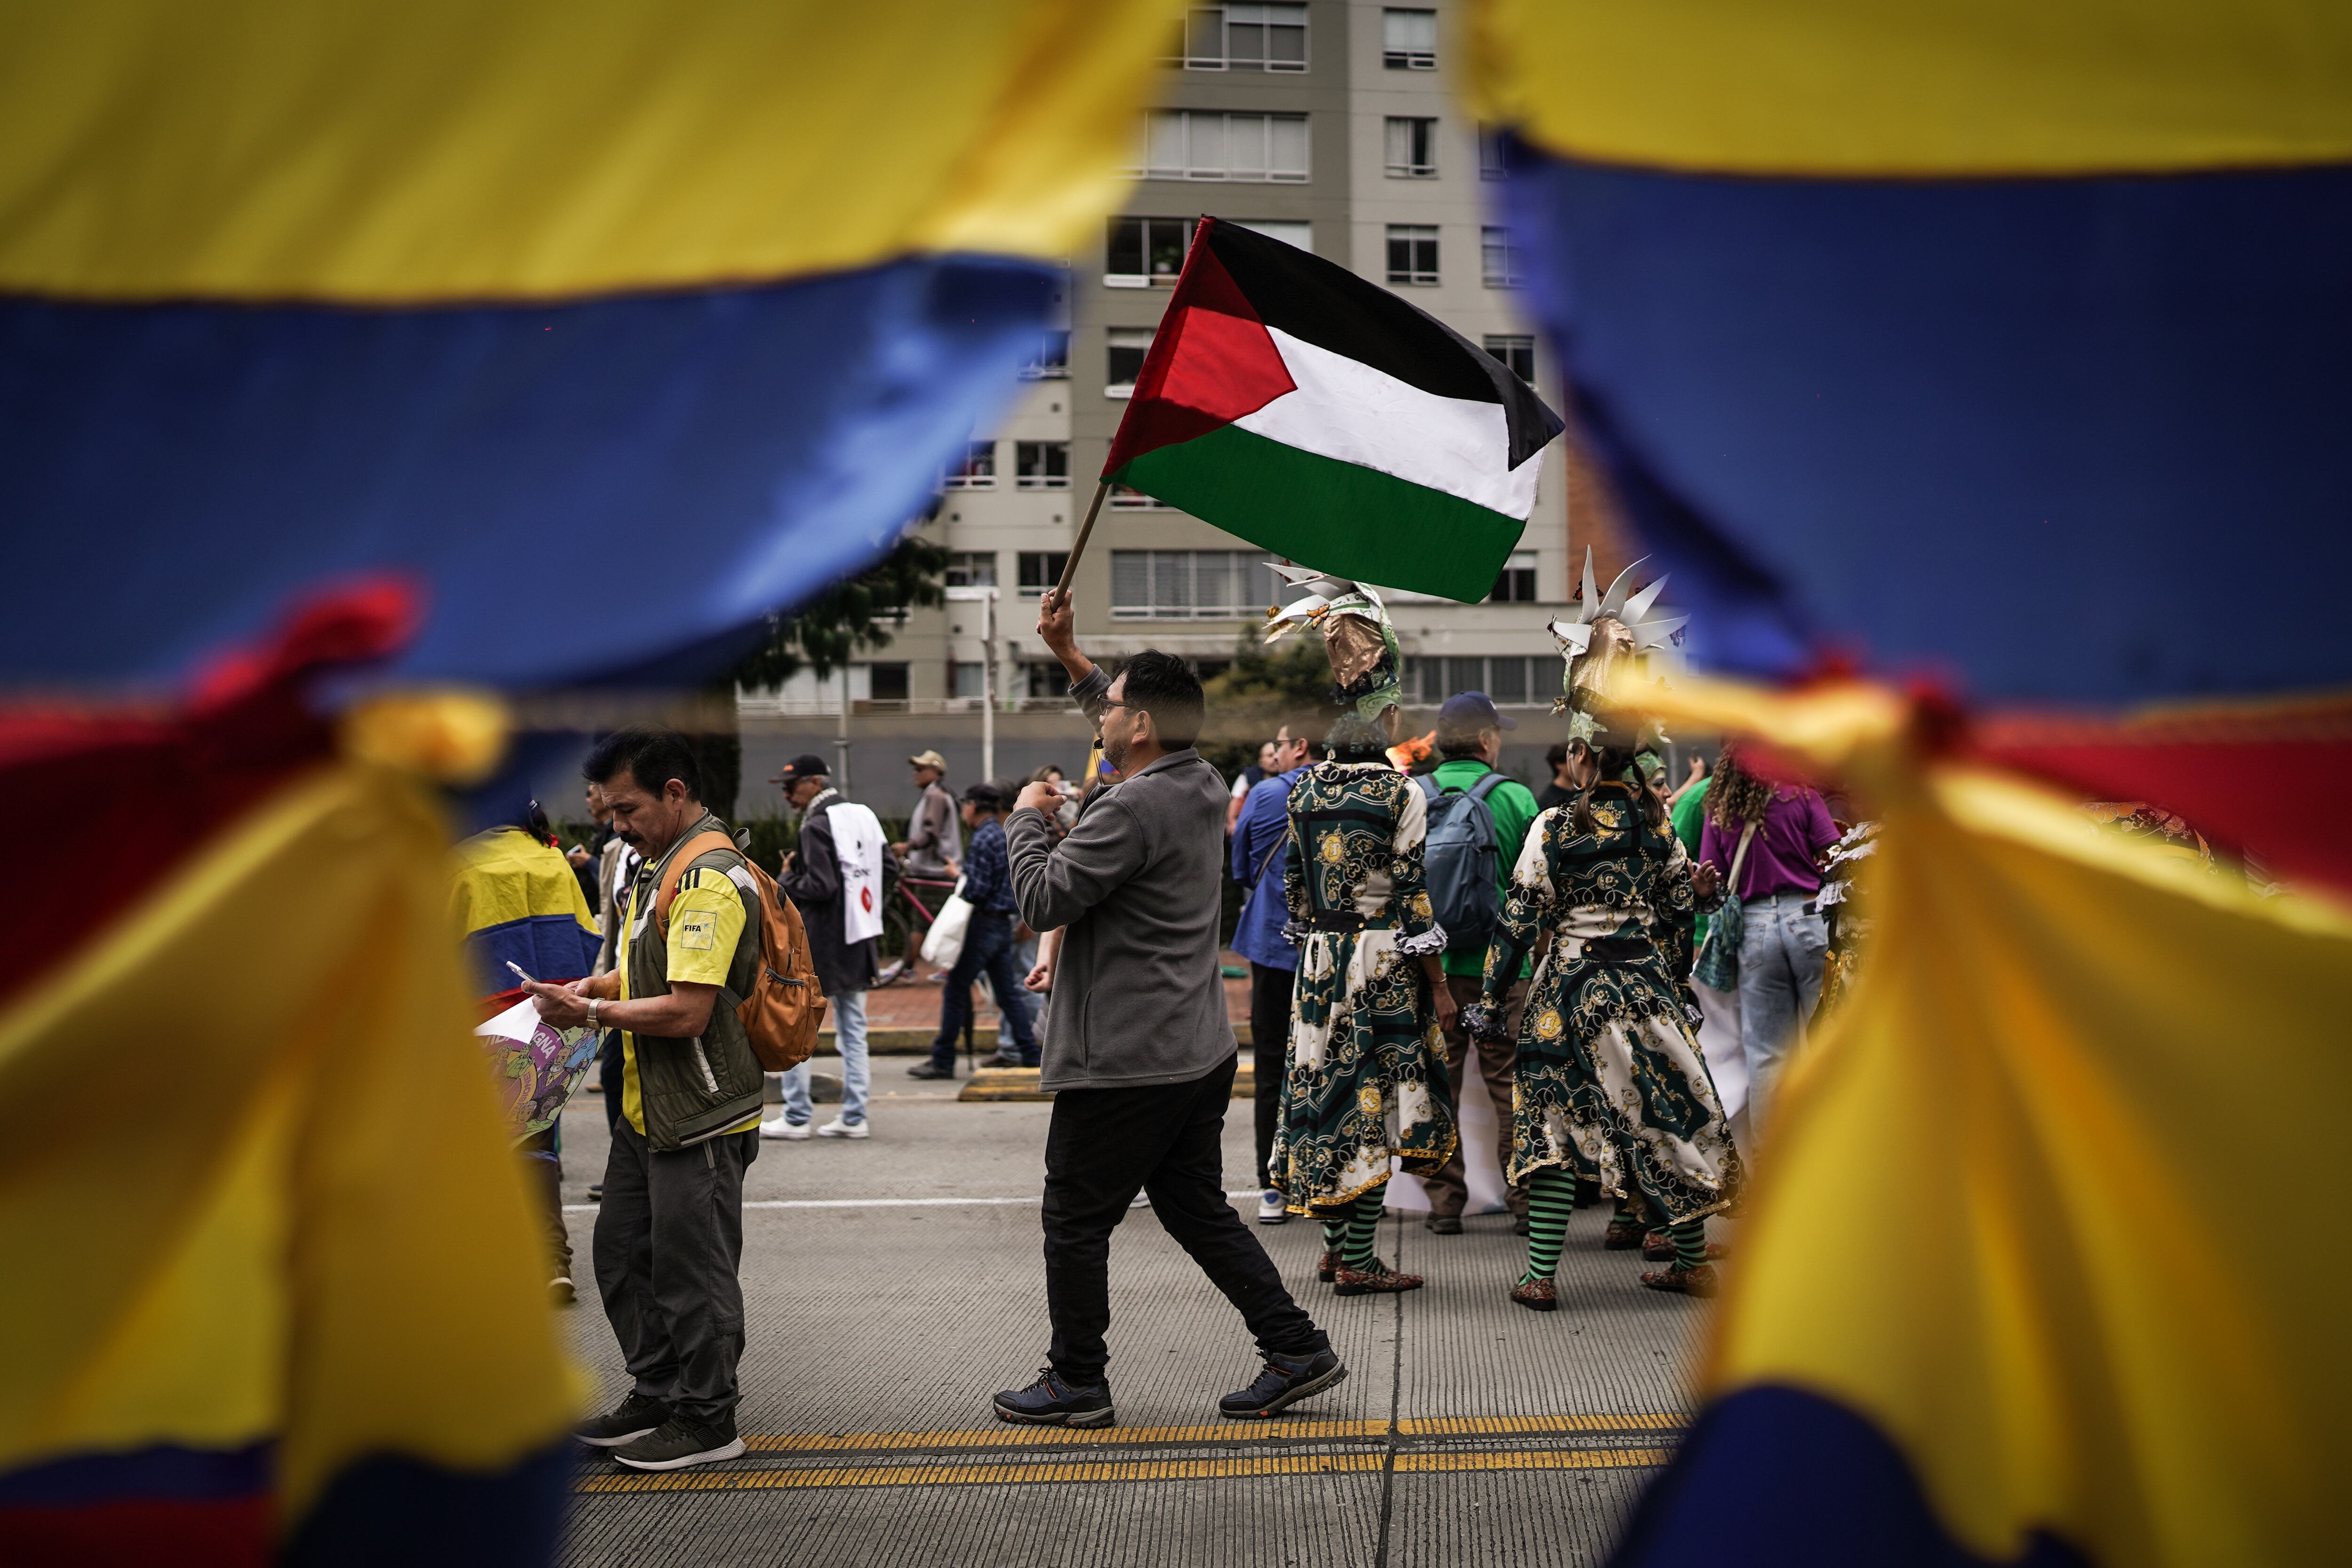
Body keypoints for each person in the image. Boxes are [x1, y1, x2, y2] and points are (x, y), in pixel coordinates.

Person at [992, 590, 1343, 1429]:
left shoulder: (1130, 805)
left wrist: (1022, 820)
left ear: (1141, 723)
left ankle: (1077, 1378)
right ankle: (1295, 1344)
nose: (1101, 718)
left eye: (1111, 708)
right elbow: (1122, 720)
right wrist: (1074, 657)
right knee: (1193, 1205)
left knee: (1074, 1216)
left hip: (1129, 1054)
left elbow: (1042, 900)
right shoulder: (1199, 779)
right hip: (1194, 1045)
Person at [522, 728, 764, 1472]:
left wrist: (587, 1014)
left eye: (627, 808)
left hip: (697, 1106)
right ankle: (658, 1391)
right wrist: (594, 987)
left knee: (692, 1268)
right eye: (608, 809)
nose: (615, 824)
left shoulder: (708, 878)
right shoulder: (657, 867)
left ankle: (709, 1417)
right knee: (623, 1252)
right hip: (648, 1104)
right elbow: (651, 973)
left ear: (675, 793)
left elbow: (688, 1010)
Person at [1467, 729, 1745, 1307]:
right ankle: (1691, 1263)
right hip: (1645, 993)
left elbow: (1518, 920)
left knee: (1551, 1128)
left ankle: (1540, 1276)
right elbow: (1675, 918)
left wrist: (1491, 998)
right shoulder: (1656, 826)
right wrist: (1672, 984)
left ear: (1578, 756)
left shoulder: (1555, 824)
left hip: (1566, 996)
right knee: (1669, 1120)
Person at [1268, 714, 1459, 1295]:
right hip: (1379, 958)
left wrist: (1314, 937)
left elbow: (1295, 883)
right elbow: (1412, 891)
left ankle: (1333, 1253)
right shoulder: (1402, 790)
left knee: (1330, 1096)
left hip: (1320, 959)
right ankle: (1358, 1260)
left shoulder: (1302, 787)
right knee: (1375, 1105)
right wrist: (1440, 983)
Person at [450, 803, 603, 1303]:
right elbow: (588, 935)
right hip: (553, 1017)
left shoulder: (461, 861)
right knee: (538, 1136)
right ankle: (551, 1259)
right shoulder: (551, 859)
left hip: (482, 1017)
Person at [1415, 691, 1542, 1236]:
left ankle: (1445, 1203)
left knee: (1437, 1086)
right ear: (1488, 741)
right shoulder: (1514, 798)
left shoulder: (1412, 796)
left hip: (1431, 972)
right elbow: (1537, 886)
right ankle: (1524, 1200)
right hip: (1501, 970)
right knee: (1509, 1086)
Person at [1696, 744, 1840, 1137]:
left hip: (1755, 929)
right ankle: (1833, 1147)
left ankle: (1771, 1165)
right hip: (1809, 918)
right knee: (1828, 1041)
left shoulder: (1721, 811)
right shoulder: (1802, 795)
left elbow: (1715, 886)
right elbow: (1834, 856)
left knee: (1767, 1054)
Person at [764, 754, 882, 1139]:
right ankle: (854, 1117)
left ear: (815, 783)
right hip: (859, 939)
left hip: (822, 945)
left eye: (791, 785)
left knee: (797, 1025)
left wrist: (785, 878)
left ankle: (797, 1116)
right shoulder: (863, 814)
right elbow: (889, 871)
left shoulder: (816, 825)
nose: (786, 794)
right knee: (854, 1030)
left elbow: (821, 886)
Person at [1228, 720, 1314, 1223]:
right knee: (1331, 1063)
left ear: (1298, 747)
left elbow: (1239, 867)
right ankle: (1330, 1178)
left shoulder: (1264, 796)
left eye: (1278, 745)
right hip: (1336, 950)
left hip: (1272, 945)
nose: (1274, 754)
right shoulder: (1360, 794)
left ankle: (1272, 1186)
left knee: (1271, 1066)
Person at [913, 781, 1040, 1076]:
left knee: (956, 989)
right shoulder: (1001, 834)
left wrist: (962, 879)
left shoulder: (983, 838)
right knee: (1008, 994)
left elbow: (978, 890)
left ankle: (943, 1060)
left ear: (972, 807)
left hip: (982, 925)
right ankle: (1031, 1054)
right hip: (1001, 926)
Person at [894, 749, 961, 879]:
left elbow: (931, 832)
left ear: (935, 771)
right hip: (933, 870)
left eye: (920, 769)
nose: (915, 773)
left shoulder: (936, 795)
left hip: (935, 871)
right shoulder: (933, 794)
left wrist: (907, 847)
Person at [1227, 740, 1275, 835]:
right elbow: (1236, 798)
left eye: (1276, 754)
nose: (1275, 759)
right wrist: (1233, 823)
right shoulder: (1249, 775)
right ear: (1261, 760)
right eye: (1270, 756)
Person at [1536, 741, 1578, 812]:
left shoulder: (1579, 794)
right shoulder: (1548, 799)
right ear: (1559, 765)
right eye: (1572, 762)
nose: (1577, 766)